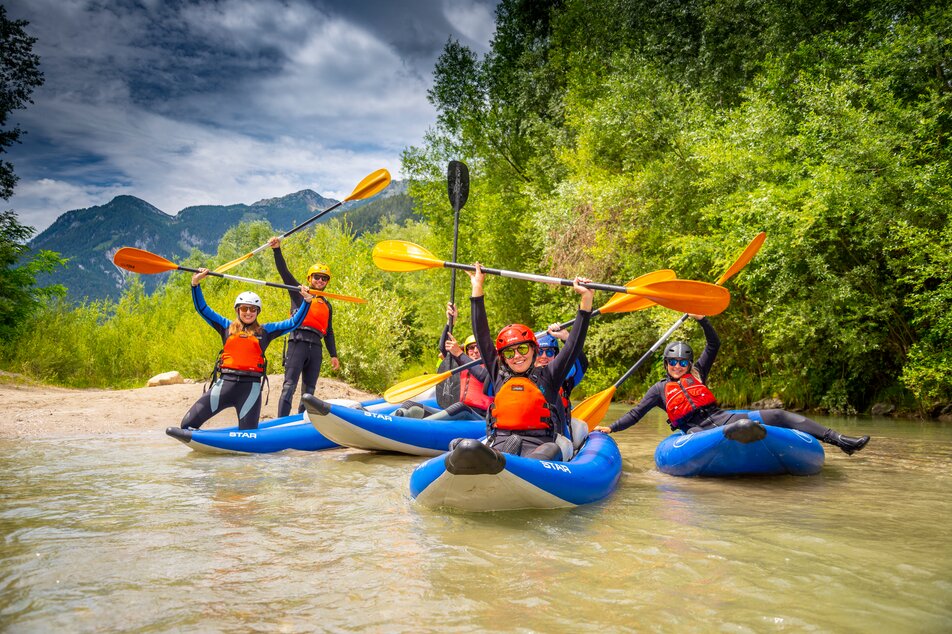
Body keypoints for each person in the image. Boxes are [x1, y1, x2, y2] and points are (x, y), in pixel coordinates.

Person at [594, 315, 871, 455]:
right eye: (672, 363)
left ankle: (839, 441)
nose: (677, 367)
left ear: (689, 365)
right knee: (731, 431)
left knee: (778, 415)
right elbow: (635, 413)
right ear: (666, 364)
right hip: (695, 430)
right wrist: (611, 427)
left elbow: (714, 344)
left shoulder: (699, 373)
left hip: (721, 417)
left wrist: (702, 319)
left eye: (682, 363)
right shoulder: (658, 389)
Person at [469, 262, 594, 460]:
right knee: (461, 445)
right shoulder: (498, 374)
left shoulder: (550, 375)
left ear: (534, 350)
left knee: (548, 452)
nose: (517, 356)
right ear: (503, 358)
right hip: (501, 443)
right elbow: (482, 335)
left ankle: (515, 467)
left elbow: (574, 345)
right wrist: (477, 286)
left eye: (523, 348)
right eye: (510, 353)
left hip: (540, 446)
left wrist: (586, 298)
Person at [180, 268, 313, 430]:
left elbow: (293, 323)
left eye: (252, 309)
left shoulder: (266, 331)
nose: (248, 312)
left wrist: (306, 301)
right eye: (244, 308)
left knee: (248, 434)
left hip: (250, 389)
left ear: (257, 312)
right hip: (224, 385)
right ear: (238, 310)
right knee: (187, 424)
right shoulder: (225, 326)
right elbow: (203, 309)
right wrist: (195, 284)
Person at [269, 237, 340, 418]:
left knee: (309, 391)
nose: (320, 280)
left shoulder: (327, 304)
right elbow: (284, 272)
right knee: (289, 386)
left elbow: (329, 332)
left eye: (324, 278)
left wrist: (333, 355)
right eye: (317, 277)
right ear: (310, 278)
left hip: (316, 347)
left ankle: (301, 421)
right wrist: (277, 249)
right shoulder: (299, 293)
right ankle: (282, 421)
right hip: (298, 342)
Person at [536, 327, 588, 439]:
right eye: (539, 352)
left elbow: (582, 365)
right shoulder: (519, 376)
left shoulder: (564, 378)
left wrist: (567, 338)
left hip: (560, 437)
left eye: (549, 352)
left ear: (556, 356)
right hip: (531, 436)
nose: (544, 356)